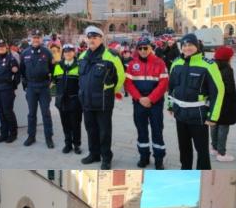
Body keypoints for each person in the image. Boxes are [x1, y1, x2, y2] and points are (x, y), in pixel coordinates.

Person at [168, 34, 225, 170]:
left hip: (198, 116)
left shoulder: (208, 65)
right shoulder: (176, 63)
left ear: (197, 46)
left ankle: (203, 170)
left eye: (190, 45)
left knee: (202, 151)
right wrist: (170, 106)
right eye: (184, 45)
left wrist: (213, 117)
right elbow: (171, 88)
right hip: (180, 115)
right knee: (184, 149)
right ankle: (185, 169)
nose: (187, 48)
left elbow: (218, 91)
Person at [78, 25, 125, 169]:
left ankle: (106, 158)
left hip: (103, 102)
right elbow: (81, 78)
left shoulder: (111, 56)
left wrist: (109, 91)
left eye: (95, 37)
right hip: (86, 101)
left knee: (104, 131)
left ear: (101, 39)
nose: (91, 40)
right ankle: (94, 154)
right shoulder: (82, 57)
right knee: (90, 129)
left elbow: (121, 77)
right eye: (89, 37)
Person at [124, 37, 169, 169]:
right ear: (137, 49)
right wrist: (140, 98)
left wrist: (151, 98)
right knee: (141, 131)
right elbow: (128, 83)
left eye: (145, 48)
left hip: (155, 103)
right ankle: (144, 157)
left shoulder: (160, 63)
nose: (143, 51)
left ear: (151, 48)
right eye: (140, 48)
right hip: (139, 103)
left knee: (157, 131)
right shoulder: (133, 64)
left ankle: (159, 159)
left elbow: (164, 83)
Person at [20, 29, 55, 149]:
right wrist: (26, 85)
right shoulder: (25, 53)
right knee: (31, 114)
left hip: (44, 87)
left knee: (46, 113)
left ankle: (49, 138)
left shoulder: (47, 53)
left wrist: (50, 83)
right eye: (34, 37)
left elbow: (52, 69)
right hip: (31, 87)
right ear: (30, 39)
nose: (36, 39)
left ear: (41, 39)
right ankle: (31, 136)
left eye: (38, 37)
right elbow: (22, 71)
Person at [52, 44, 83, 154]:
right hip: (62, 101)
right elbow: (55, 81)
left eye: (70, 51)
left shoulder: (79, 66)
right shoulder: (58, 66)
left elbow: (82, 84)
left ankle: (77, 145)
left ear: (74, 53)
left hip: (75, 100)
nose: (68, 53)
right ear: (63, 53)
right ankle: (68, 144)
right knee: (65, 124)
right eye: (65, 51)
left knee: (75, 124)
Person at [210, 46, 236, 162]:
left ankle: (214, 148)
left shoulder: (213, 66)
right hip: (226, 102)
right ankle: (221, 153)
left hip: (214, 100)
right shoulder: (227, 69)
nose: (233, 57)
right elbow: (229, 88)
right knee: (223, 126)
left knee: (215, 124)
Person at [0, 39, 21, 143]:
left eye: (3, 47)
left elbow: (17, 75)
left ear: (6, 48)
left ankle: (13, 134)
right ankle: (3, 134)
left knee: (7, 112)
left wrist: (13, 86)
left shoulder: (11, 59)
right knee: (0, 112)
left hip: (6, 90)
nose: (1, 48)